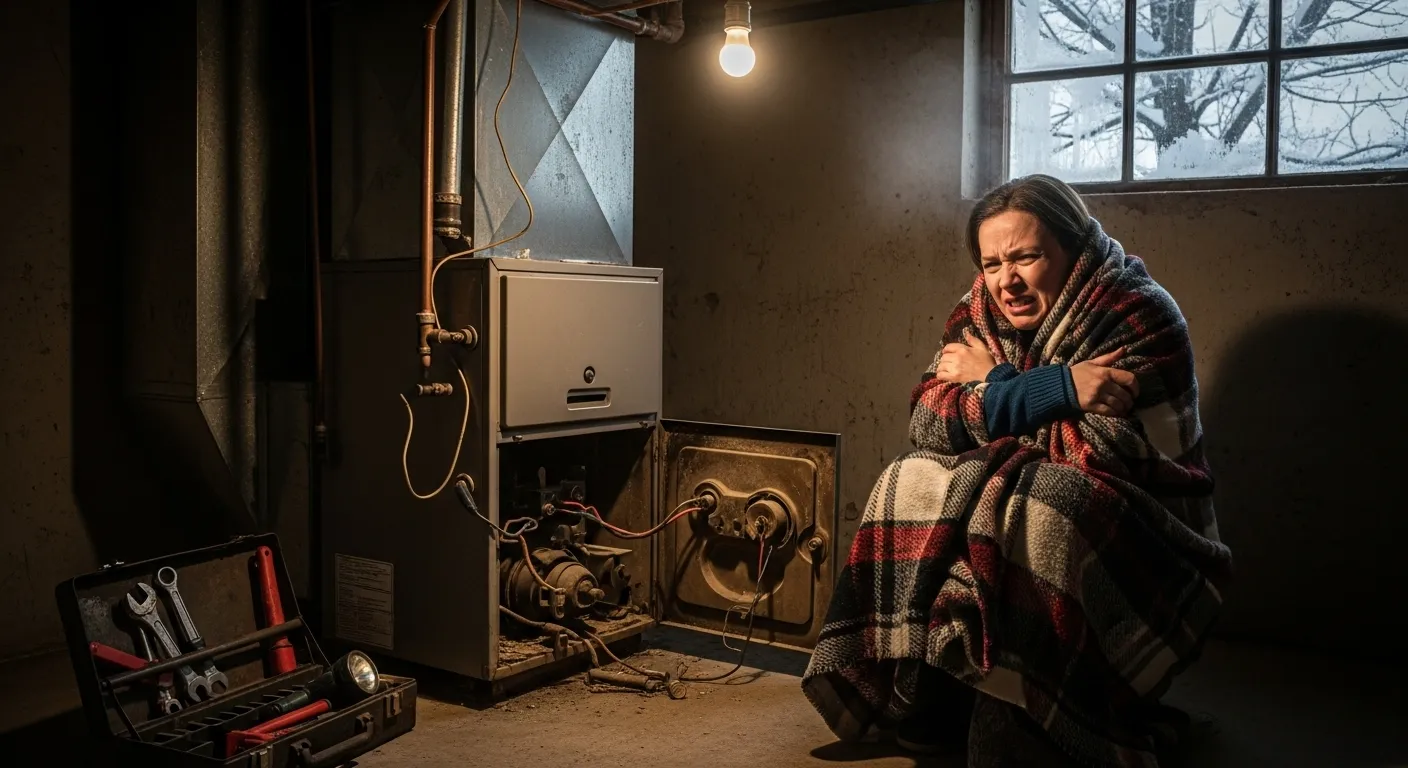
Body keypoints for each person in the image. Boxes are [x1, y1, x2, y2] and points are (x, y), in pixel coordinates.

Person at [801, 175, 1233, 768]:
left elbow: (1092, 454)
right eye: (992, 262)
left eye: (1026, 257)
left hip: (1147, 527)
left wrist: (992, 383)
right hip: (1029, 486)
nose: (1007, 280)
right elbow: (927, 419)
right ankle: (933, 697)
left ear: (1073, 248)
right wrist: (1058, 387)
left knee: (1044, 499)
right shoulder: (978, 306)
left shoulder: (1139, 312)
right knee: (913, 477)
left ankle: (1031, 718)